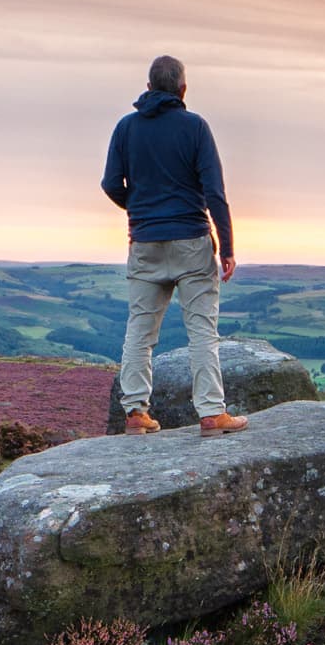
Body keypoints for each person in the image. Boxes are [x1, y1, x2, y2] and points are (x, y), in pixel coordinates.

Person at [101, 54, 247, 435]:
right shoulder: (195, 128)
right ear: (183, 89)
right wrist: (228, 247)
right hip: (191, 241)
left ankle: (135, 413)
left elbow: (111, 184)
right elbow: (215, 193)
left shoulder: (126, 128)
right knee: (201, 329)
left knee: (140, 330)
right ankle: (212, 413)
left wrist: (139, 209)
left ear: (148, 88)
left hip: (145, 242)